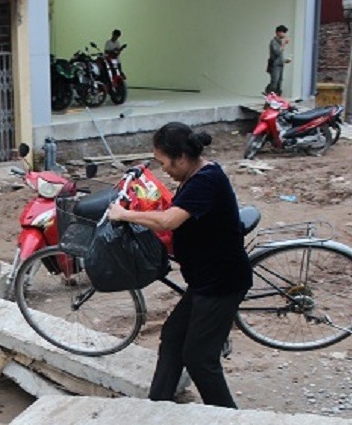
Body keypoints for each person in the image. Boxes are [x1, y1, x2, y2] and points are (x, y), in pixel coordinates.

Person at [106, 122, 252, 409]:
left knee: (200, 359)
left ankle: (230, 421)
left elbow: (169, 220)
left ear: (181, 158)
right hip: (203, 282)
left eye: (165, 163)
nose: (165, 170)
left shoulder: (206, 180)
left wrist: (125, 214)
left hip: (221, 283)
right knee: (173, 337)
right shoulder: (194, 176)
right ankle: (157, 406)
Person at [265, 24, 290, 95]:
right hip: (275, 64)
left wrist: (285, 60)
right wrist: (284, 44)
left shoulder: (280, 42)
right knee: (274, 81)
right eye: (283, 32)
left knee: (280, 81)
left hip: (280, 64)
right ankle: (269, 93)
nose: (284, 34)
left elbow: (280, 55)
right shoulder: (273, 42)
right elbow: (277, 52)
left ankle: (277, 96)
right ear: (278, 32)